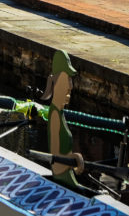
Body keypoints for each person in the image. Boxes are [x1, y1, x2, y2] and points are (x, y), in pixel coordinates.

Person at [40, 50, 85, 188]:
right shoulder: (54, 115)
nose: (70, 87)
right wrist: (73, 158)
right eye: (66, 81)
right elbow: (56, 157)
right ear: (56, 84)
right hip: (62, 175)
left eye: (70, 83)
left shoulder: (59, 113)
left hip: (67, 174)